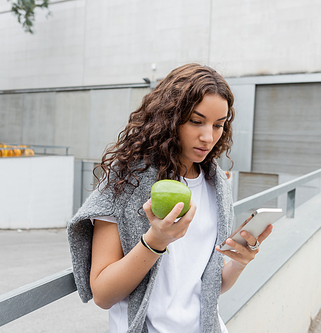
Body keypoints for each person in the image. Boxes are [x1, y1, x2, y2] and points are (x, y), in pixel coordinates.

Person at [67, 63, 273, 333]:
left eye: (218, 125)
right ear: (169, 117)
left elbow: (207, 286)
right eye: (196, 121)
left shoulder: (216, 183)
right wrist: (156, 240)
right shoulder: (127, 179)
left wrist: (238, 261)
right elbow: (103, 294)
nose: (208, 136)